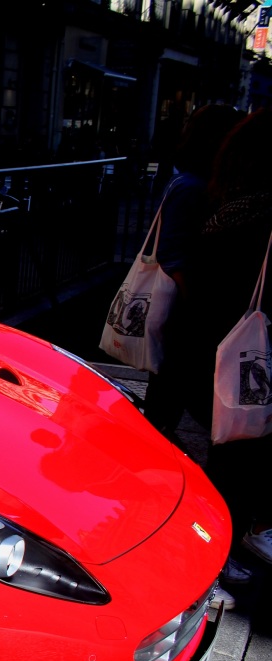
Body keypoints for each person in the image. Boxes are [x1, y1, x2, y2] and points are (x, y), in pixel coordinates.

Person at [178, 109, 272, 607]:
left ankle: (216, 551)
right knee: (242, 459)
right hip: (249, 359)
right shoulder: (264, 220)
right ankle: (216, 558)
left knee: (230, 455)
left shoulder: (224, 211)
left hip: (217, 348)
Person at [143, 104, 243, 437]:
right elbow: (175, 254)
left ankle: (156, 445)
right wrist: (196, 302)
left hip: (181, 311)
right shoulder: (194, 187)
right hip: (184, 312)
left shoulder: (187, 182)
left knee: (169, 390)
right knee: (177, 388)